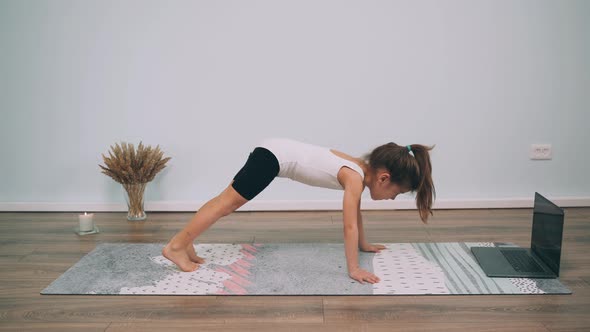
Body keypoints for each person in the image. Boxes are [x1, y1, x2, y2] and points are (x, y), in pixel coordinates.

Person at [163, 138, 435, 284]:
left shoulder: (359, 169)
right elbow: (348, 225)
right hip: (272, 158)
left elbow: (357, 216)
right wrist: (353, 269)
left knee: (223, 202)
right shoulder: (353, 178)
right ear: (384, 178)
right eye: (395, 194)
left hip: (271, 150)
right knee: (226, 204)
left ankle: (184, 243)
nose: (391, 199)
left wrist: (364, 245)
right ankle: (176, 246)